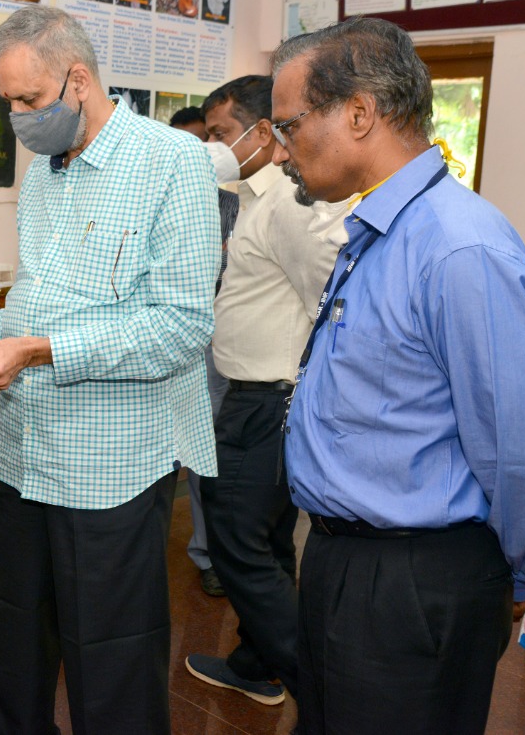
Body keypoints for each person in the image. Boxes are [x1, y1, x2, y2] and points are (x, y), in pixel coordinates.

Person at [273, 17, 525, 734]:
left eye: (290, 126)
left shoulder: (456, 246)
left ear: (358, 113)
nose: (282, 151)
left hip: (412, 581)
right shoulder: (382, 230)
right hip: (345, 562)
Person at [0, 6, 219, 735]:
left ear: (78, 79)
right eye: (7, 102)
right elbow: (35, 304)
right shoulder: (43, 174)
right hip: (22, 455)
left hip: (111, 468)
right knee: (12, 653)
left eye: (29, 100)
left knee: (113, 667)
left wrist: (38, 351)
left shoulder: (172, 162)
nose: (18, 118)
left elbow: (183, 327)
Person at [184, 74, 347, 709]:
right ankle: (257, 663)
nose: (215, 148)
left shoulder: (287, 204)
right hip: (259, 395)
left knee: (235, 542)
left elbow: (331, 292)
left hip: (269, 401)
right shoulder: (254, 198)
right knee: (273, 541)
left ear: (263, 132)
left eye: (223, 135)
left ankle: (321, 690)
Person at [169, 104, 237, 598]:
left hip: (218, 344)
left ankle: (211, 553)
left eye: (211, 139)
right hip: (161, 342)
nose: (202, 151)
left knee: (207, 451)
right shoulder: (159, 193)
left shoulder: (231, 202)